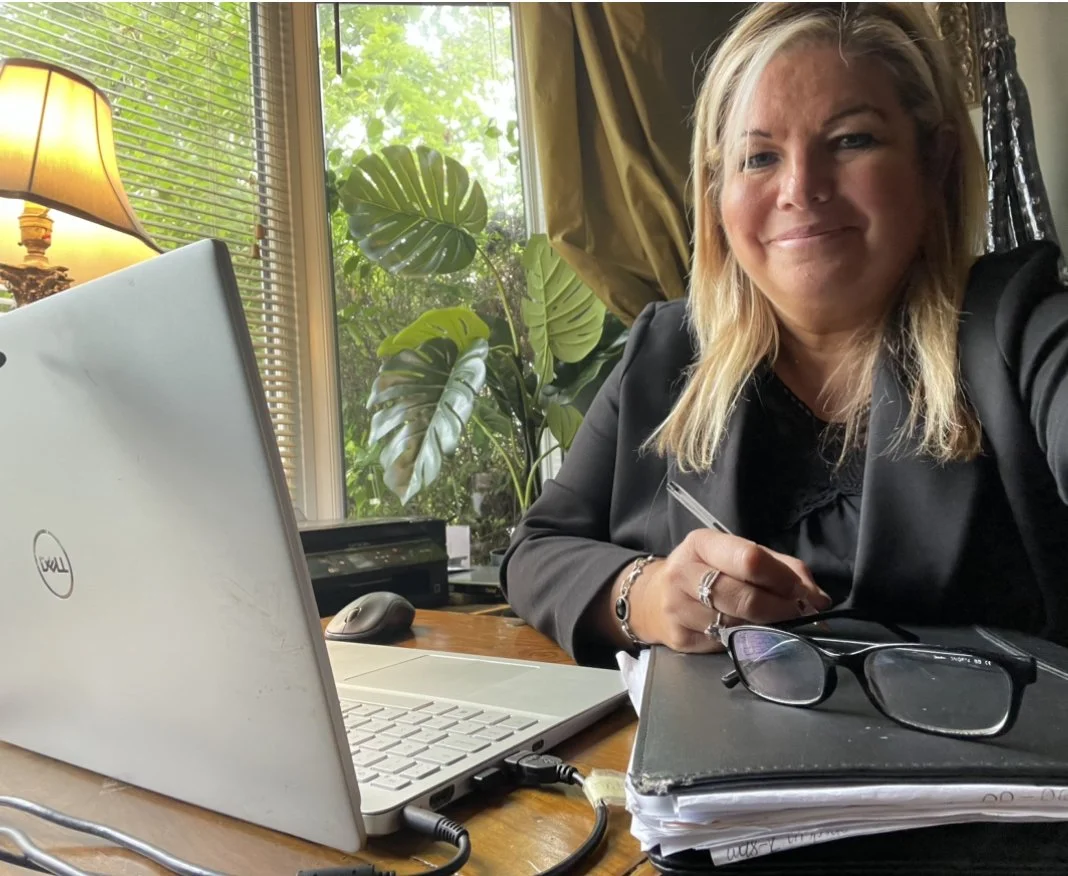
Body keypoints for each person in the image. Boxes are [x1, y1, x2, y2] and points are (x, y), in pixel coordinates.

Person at [500, 2, 1068, 668]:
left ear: (934, 162)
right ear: (718, 193)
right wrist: (647, 595)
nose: (801, 188)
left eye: (851, 140)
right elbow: (534, 550)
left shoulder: (1021, 324)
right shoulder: (666, 349)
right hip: (704, 735)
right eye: (760, 156)